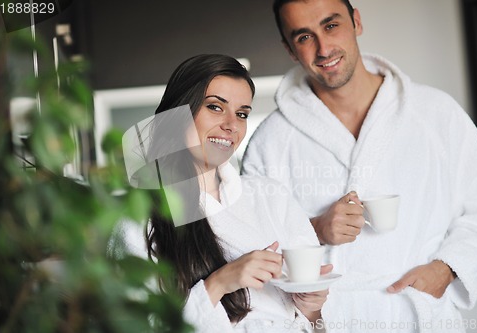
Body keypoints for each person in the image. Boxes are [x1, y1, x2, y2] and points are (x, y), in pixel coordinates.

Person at [241, 0, 477, 332]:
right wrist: (314, 229)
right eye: (304, 37)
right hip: (330, 322)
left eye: (331, 25)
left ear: (356, 22)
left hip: (422, 317)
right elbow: (248, 247)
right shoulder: (270, 141)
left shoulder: (435, 113)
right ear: (289, 49)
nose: (323, 48)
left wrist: (447, 269)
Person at [113, 54, 333, 333]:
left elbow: (316, 324)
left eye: (242, 113)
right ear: (178, 114)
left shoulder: (271, 196)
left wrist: (311, 307)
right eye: (215, 107)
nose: (232, 124)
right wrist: (219, 283)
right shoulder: (138, 220)